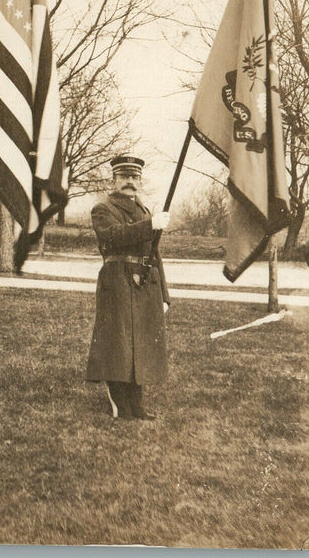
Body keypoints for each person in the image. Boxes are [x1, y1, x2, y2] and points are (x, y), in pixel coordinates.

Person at [86, 154, 171, 420]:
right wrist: (150, 226)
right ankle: (120, 403)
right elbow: (113, 236)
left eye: (134, 177)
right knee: (118, 342)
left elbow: (155, 256)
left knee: (142, 343)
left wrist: (164, 295)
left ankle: (137, 403)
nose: (130, 182)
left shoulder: (146, 212)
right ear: (114, 180)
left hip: (146, 283)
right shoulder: (103, 209)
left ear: (140, 181)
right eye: (124, 177)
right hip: (117, 279)